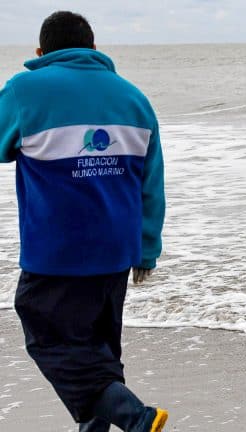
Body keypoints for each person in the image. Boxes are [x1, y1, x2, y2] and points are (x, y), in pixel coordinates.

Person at [0, 11, 167, 432]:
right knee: (98, 354)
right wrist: (147, 250)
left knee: (47, 338)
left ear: (41, 53)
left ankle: (138, 419)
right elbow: (151, 183)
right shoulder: (133, 97)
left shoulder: (25, 90)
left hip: (57, 253)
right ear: (93, 49)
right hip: (117, 251)